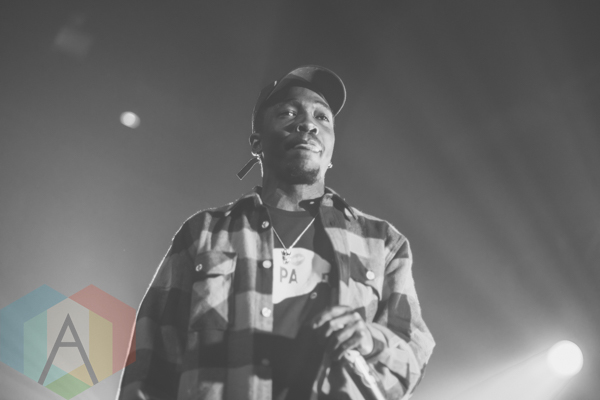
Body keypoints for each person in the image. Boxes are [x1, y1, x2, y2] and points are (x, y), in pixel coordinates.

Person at [118, 65, 435, 400]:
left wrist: (371, 340)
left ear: (330, 148)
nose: (308, 124)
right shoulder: (204, 233)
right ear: (257, 142)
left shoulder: (382, 243)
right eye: (288, 113)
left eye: (322, 117)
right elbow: (148, 364)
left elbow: (413, 352)